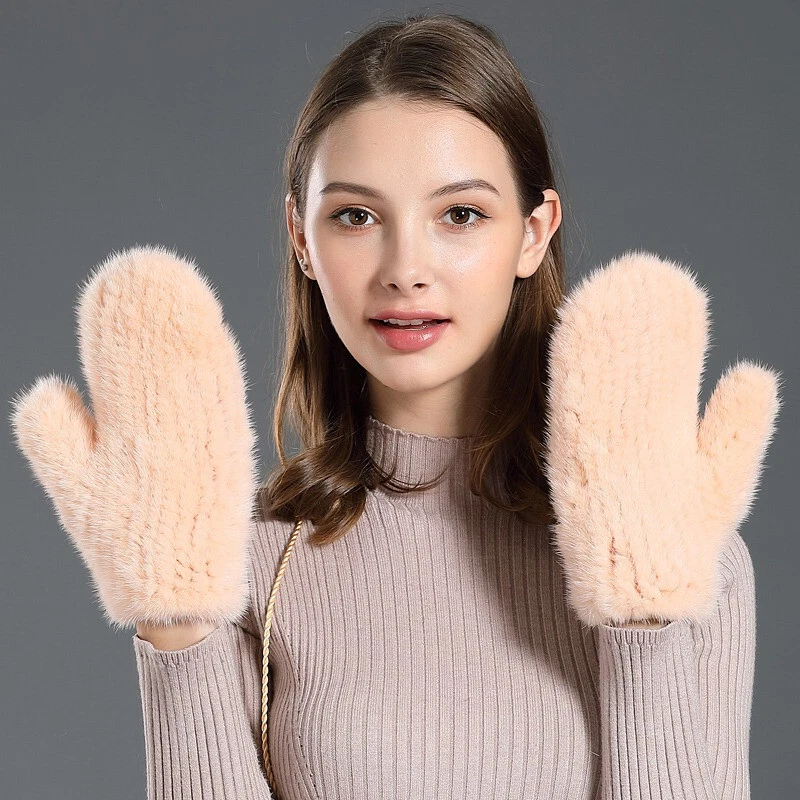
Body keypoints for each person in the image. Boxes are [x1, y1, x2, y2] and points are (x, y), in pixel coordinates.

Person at [10, 11, 781, 800]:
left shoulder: (683, 538)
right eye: (356, 216)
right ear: (302, 238)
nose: (406, 268)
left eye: (460, 214)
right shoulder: (238, 558)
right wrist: (172, 615)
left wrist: (643, 621)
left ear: (534, 232)